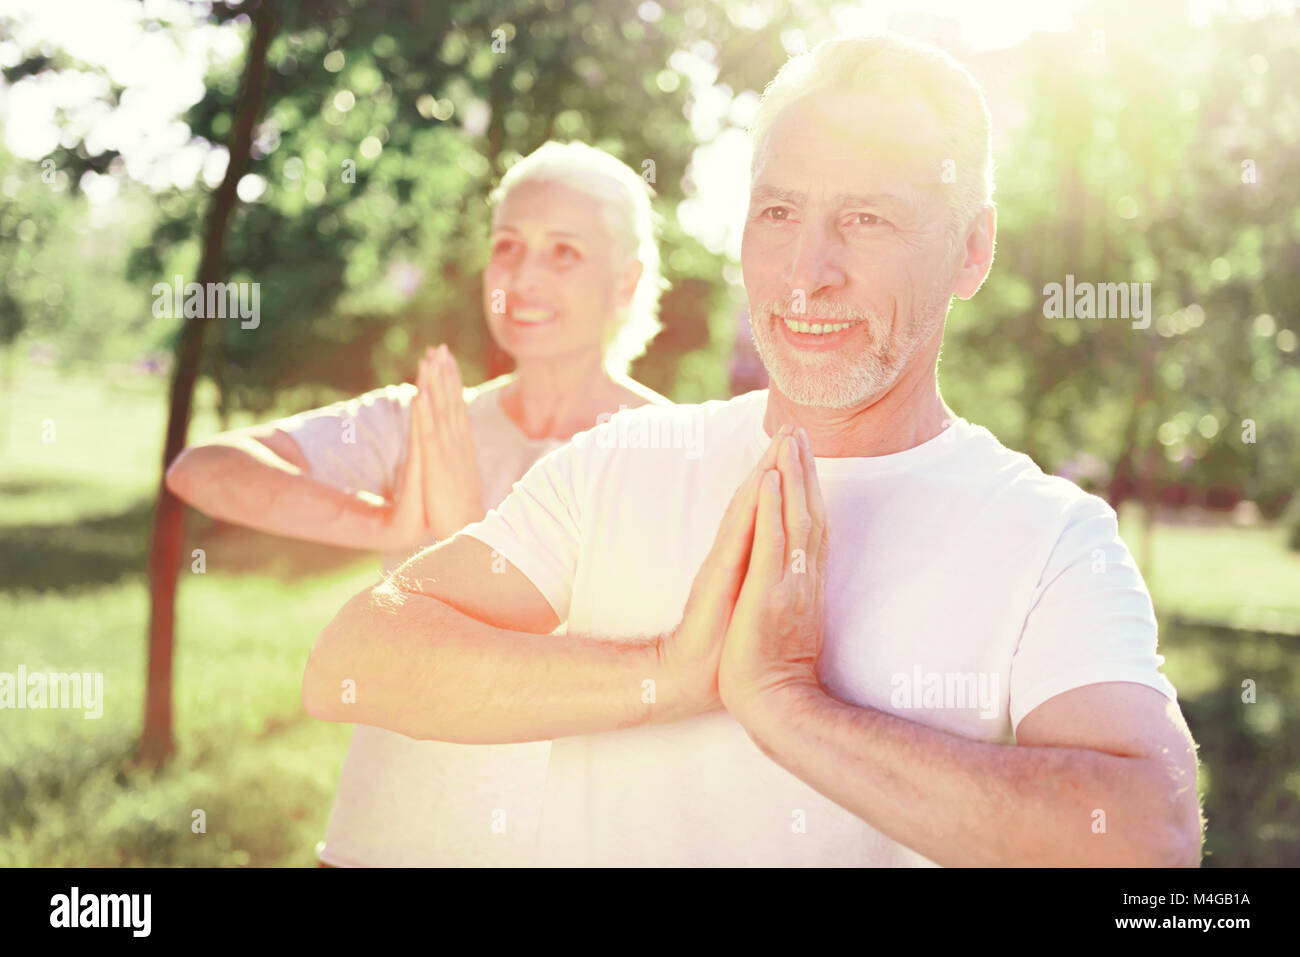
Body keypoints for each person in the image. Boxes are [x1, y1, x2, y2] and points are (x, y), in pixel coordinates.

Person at [303, 34, 1203, 866]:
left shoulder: (1049, 538)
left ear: (972, 251)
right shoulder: (620, 461)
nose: (808, 272)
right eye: (780, 211)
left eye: (868, 220)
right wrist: (667, 673)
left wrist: (788, 707)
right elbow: (353, 661)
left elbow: (1148, 832)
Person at [166, 140, 670, 866]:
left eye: (564, 252)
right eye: (507, 245)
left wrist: (460, 537)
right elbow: (205, 469)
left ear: (624, 285)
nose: (524, 276)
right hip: (374, 845)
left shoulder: (671, 450)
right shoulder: (424, 421)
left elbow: (644, 679)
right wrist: (389, 521)